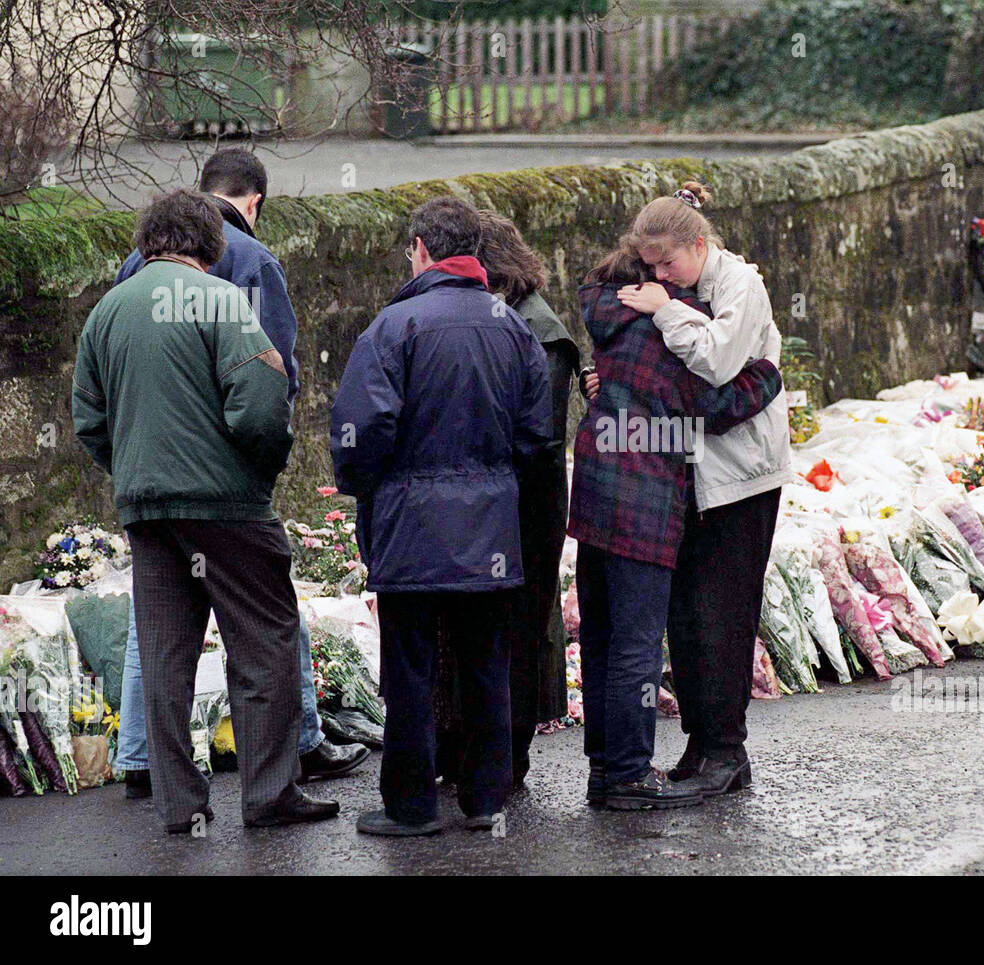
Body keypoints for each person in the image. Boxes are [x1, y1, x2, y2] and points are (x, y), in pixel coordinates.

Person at [72, 189, 339, 832]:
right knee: (264, 643)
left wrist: (136, 470)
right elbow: (258, 402)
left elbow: (89, 419)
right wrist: (260, 471)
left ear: (147, 242)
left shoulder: (107, 311)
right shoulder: (222, 300)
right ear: (210, 244)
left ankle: (178, 804)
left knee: (165, 654)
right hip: (227, 506)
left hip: (147, 509)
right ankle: (269, 794)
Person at [113, 148, 368, 798]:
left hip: (148, 470)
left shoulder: (134, 268)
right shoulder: (254, 262)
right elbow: (275, 370)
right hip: (227, 479)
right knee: (265, 612)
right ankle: (300, 743)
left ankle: (143, 756)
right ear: (252, 200)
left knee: (160, 622)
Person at [331, 196, 551, 836]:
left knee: (411, 671)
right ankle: (486, 800)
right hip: (489, 529)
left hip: (411, 528)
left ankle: (411, 805)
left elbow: (361, 428)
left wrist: (365, 486)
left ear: (422, 249)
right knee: (486, 665)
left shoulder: (394, 326)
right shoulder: (510, 325)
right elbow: (538, 434)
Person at [597, 181, 793, 796]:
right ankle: (702, 745)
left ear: (699, 245)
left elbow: (715, 360)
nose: (659, 275)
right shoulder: (680, 283)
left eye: (668, 263)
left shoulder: (741, 285)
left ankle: (727, 752)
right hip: (692, 473)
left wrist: (664, 308)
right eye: (650, 266)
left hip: (742, 479)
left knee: (724, 616)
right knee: (687, 618)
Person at [435, 211, 579, 790]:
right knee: (488, 629)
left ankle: (503, 757)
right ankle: (478, 750)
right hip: (505, 502)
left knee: (517, 630)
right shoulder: (516, 320)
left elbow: (538, 439)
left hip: (524, 509)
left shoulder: (538, 332)